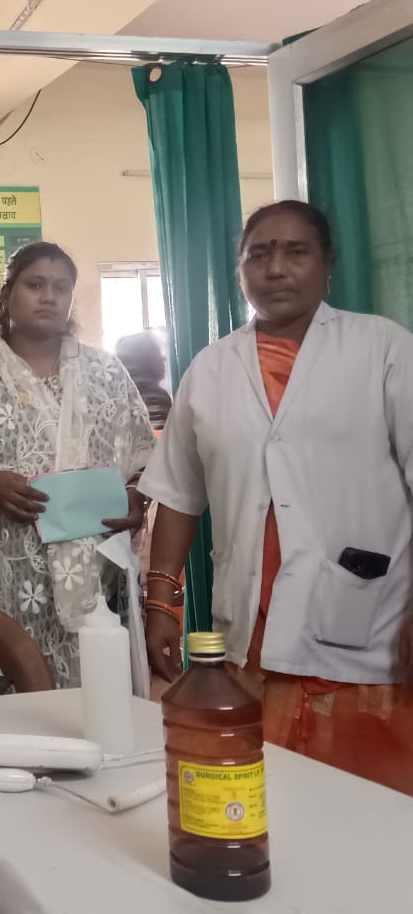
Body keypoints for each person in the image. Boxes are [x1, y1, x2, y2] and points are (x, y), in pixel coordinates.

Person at [140, 200, 413, 794]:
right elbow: (179, 495)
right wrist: (161, 603)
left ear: (328, 263)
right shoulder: (210, 369)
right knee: (263, 802)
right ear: (240, 269)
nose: (276, 268)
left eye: (296, 252)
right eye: (258, 255)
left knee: (375, 811)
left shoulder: (383, 349)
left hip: (372, 623)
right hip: (251, 634)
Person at [0, 242, 155, 688]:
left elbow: (143, 453)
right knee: (20, 695)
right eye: (35, 285)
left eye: (62, 288)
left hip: (96, 566)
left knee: (98, 692)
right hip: (9, 566)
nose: (49, 297)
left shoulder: (107, 372)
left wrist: (135, 496)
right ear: (7, 295)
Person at [115, 330, 172, 431]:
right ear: (145, 361)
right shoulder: (157, 398)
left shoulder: (116, 397)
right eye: (157, 353)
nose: (164, 358)